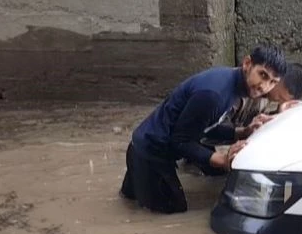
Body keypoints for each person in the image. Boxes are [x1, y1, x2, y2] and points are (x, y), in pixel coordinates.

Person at [119, 45, 287, 214]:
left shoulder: (229, 87)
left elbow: (202, 128)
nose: (264, 87)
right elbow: (180, 141)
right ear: (247, 63)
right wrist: (222, 160)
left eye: (273, 82)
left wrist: (242, 132)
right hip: (150, 152)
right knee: (173, 210)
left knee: (128, 203)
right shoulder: (214, 95)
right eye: (263, 75)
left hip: (143, 145)